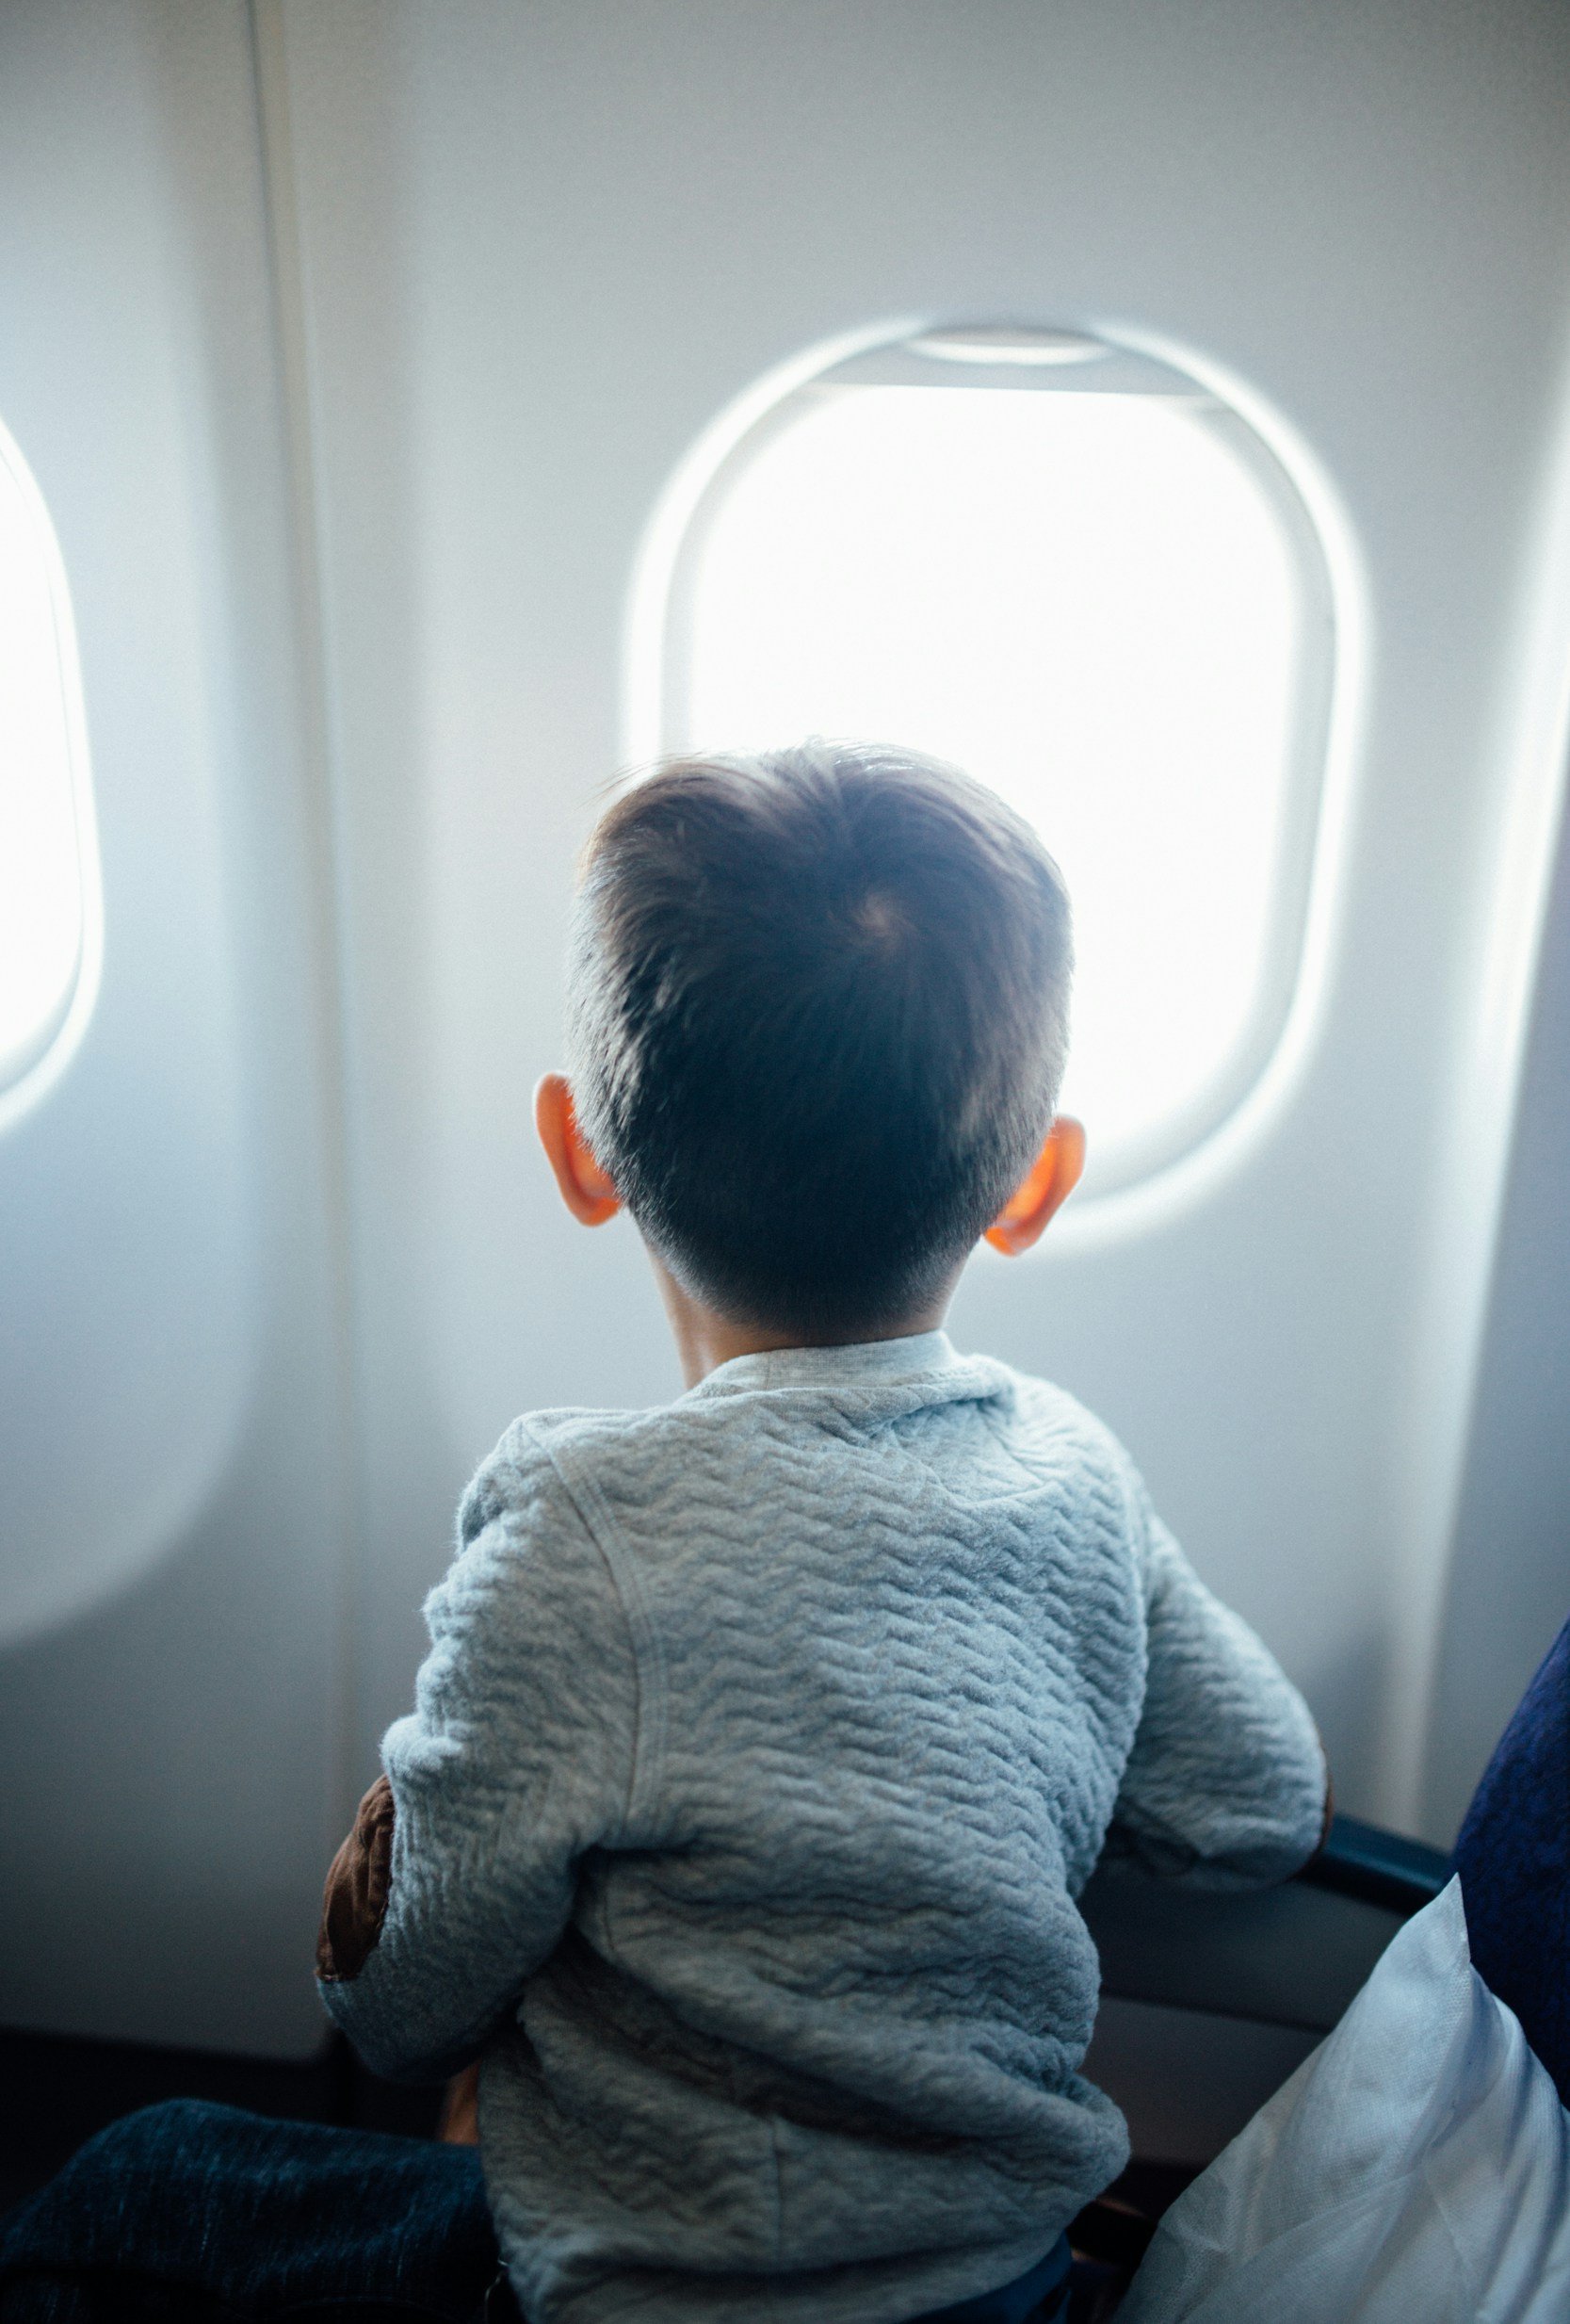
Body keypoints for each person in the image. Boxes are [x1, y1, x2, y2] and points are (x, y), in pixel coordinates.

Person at [0, 746, 1327, 2324]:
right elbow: (1259, 1803)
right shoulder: (1076, 1476)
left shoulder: (579, 1530)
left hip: (648, 2301)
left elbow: (397, 2009)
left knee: (138, 2178)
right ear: (1032, 1186)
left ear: (579, 1151)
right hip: (1003, 2291)